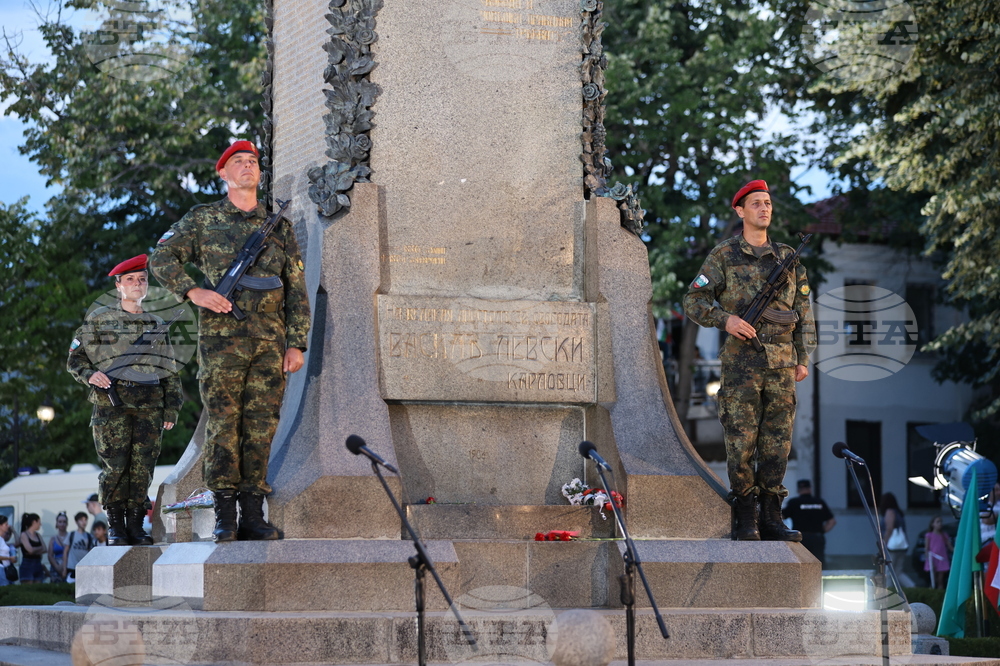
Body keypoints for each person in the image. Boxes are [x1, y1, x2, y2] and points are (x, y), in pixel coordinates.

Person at [150, 140, 310, 542]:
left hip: (269, 345)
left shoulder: (279, 228)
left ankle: (253, 513)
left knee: (260, 426)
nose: (247, 167)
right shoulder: (204, 220)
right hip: (222, 345)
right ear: (222, 174)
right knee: (223, 426)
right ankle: (225, 512)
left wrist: (297, 343)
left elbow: (296, 290)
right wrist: (193, 292)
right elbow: (161, 258)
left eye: (252, 162)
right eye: (238, 162)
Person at [683, 180, 816, 541]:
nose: (764, 208)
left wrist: (803, 358)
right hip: (741, 367)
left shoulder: (788, 259)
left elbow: (803, 312)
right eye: (756, 203)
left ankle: (772, 516)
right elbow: (693, 301)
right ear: (740, 211)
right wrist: (726, 319)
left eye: (768, 203)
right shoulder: (724, 255)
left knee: (777, 444)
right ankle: (745, 515)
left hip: (782, 367)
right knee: (741, 443)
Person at [67, 255, 184, 547]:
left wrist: (171, 406)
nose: (137, 284)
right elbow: (75, 359)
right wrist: (90, 375)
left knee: (143, 467)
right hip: (111, 406)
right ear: (118, 285)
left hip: (150, 407)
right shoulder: (100, 320)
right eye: (130, 280)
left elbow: (169, 368)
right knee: (116, 467)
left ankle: (135, 525)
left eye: (142, 279)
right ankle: (116, 526)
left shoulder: (156, 323)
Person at [784, 479, 836, 565]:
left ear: (798, 490)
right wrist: (821, 532)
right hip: (817, 537)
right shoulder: (819, 502)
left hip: (800, 538)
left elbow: (781, 516)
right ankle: (818, 578)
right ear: (810, 489)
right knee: (818, 562)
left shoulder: (794, 502)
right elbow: (832, 521)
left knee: (801, 563)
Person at [64, 512, 96, 583]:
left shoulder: (89, 536)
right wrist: (64, 568)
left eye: (85, 520)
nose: (84, 522)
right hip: (72, 567)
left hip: (84, 567)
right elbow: (65, 552)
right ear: (76, 521)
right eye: (81, 520)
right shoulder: (71, 534)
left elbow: (91, 553)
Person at [925, 515, 953, 589]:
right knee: (932, 579)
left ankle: (940, 593)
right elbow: (927, 548)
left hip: (942, 558)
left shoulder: (944, 535)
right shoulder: (929, 535)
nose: (940, 524)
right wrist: (928, 559)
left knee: (940, 579)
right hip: (933, 558)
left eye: (941, 522)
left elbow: (949, 546)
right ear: (932, 524)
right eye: (937, 522)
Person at [18, 513, 46, 584]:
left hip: (38, 563)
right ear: (34, 522)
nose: (40, 524)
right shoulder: (24, 535)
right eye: (39, 522)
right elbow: (30, 550)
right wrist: (39, 549)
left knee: (38, 588)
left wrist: (34, 550)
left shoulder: (38, 535)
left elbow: (45, 549)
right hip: (27, 565)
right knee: (28, 588)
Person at [47, 512, 69, 582]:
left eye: (64, 522)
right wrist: (57, 567)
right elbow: (50, 555)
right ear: (57, 523)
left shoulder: (71, 536)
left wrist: (63, 565)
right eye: (60, 522)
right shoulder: (53, 539)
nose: (62, 524)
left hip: (68, 566)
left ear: (67, 524)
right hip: (55, 569)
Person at [0, 516, 16, 586]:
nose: (8, 526)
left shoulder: (2, 539)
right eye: (6, 524)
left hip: (5, 568)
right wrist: (9, 558)